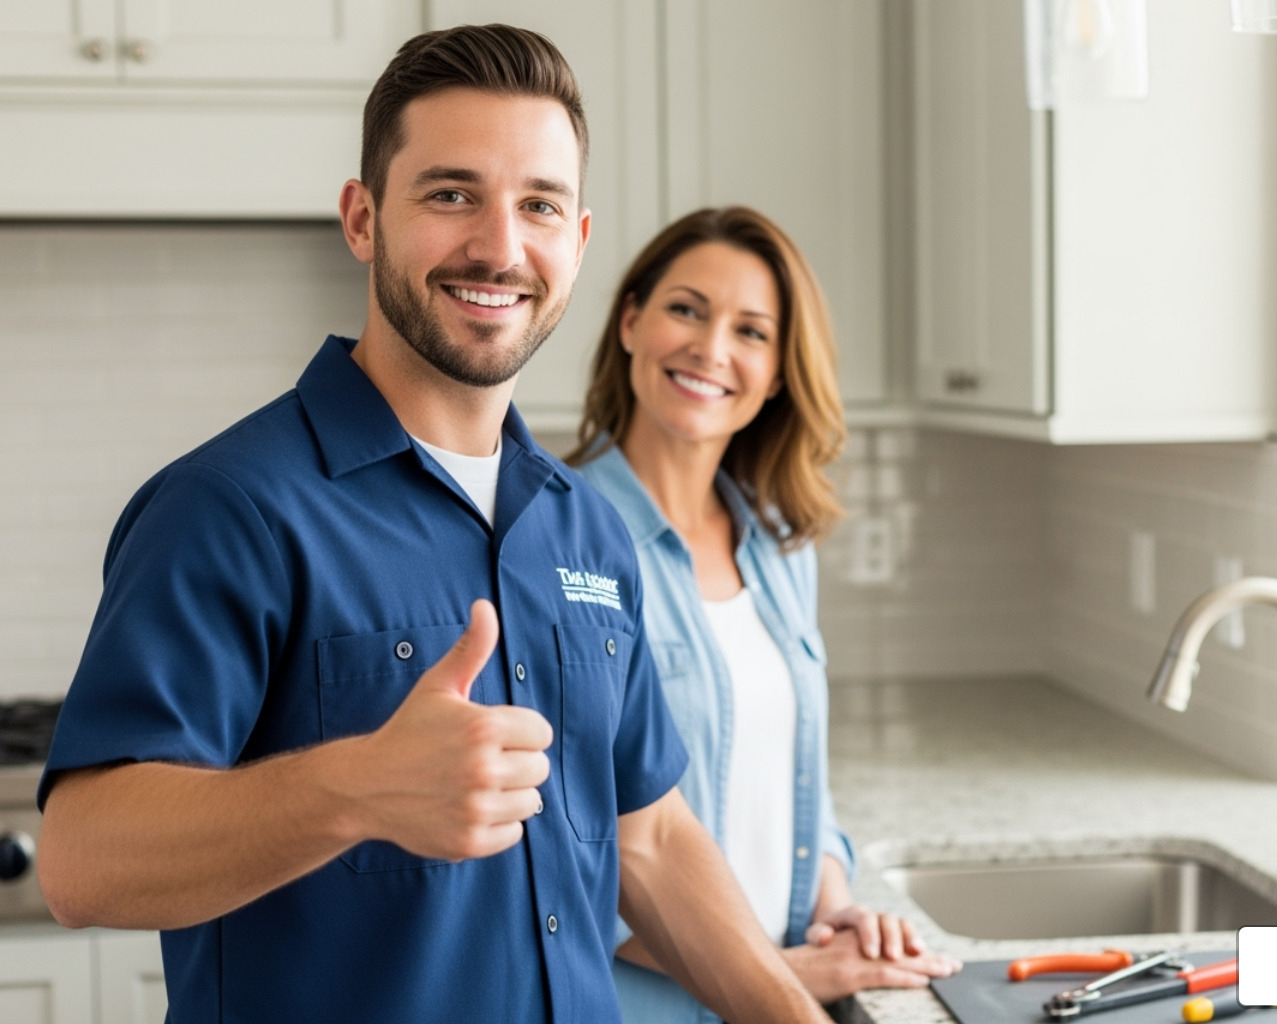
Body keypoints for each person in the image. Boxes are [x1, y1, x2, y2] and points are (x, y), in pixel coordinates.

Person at [35, 26, 833, 1024]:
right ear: (363, 218)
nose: (500, 247)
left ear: (578, 242)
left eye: (538, 205)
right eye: (452, 194)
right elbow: (80, 859)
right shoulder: (231, 508)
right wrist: (354, 789)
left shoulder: (584, 527)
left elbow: (652, 838)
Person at [566, 206, 961, 1022]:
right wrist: (779, 978)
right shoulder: (558, 541)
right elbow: (569, 854)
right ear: (632, 321)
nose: (711, 349)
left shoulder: (781, 548)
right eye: (686, 309)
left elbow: (792, 774)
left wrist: (837, 906)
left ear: (779, 371)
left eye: (751, 331)